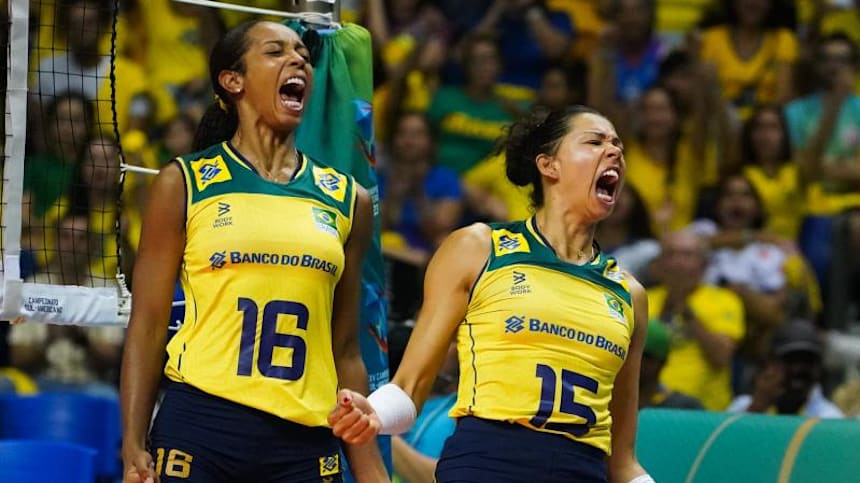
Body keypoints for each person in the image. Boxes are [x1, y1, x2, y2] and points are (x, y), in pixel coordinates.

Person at [120, 21, 387, 483]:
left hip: (305, 436)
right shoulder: (184, 182)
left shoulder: (349, 199)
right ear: (233, 80)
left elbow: (345, 349)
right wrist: (133, 444)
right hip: (203, 423)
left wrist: (369, 468)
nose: (298, 59)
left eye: (302, 52)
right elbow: (147, 326)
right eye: (275, 51)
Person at [331, 105, 655, 483]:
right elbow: (409, 388)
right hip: (488, 463)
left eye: (617, 145)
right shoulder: (479, 248)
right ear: (549, 165)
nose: (614, 151)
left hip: (582, 471)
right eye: (595, 142)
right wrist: (373, 414)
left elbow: (622, 462)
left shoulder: (629, 294)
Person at [646, 230, 745, 411]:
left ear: (704, 264)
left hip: (703, 412)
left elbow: (721, 357)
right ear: (659, 264)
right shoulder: (641, 299)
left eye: (687, 255)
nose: (677, 262)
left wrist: (687, 313)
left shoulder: (724, 300)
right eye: (670, 254)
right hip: (649, 408)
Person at [728, 320, 844, 418]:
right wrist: (757, 407)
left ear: (818, 369)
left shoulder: (830, 418)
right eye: (790, 361)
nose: (798, 369)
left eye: (807, 361)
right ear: (770, 365)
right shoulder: (742, 406)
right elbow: (727, 442)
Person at [638, 319, 704, 410]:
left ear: (661, 363)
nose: (637, 361)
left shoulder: (683, 407)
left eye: (645, 356)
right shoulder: (614, 400)